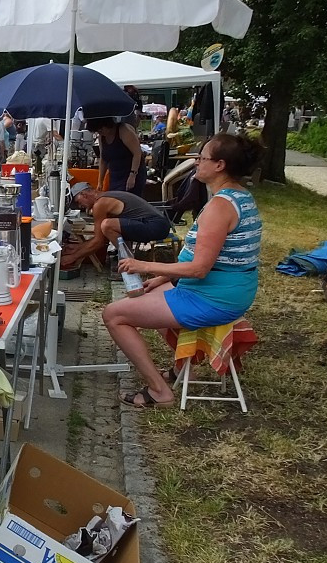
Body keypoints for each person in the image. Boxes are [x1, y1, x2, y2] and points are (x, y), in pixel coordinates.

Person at [102, 132, 264, 408]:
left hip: (214, 298)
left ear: (219, 165)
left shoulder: (220, 207)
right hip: (226, 291)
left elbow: (200, 268)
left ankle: (159, 391)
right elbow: (215, 259)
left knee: (113, 314)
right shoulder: (240, 197)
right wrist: (164, 277)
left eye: (201, 158)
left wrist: (144, 265)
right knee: (148, 294)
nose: (195, 162)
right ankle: (179, 369)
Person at [60, 183, 173, 270]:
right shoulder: (105, 196)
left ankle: (128, 263)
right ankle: (126, 259)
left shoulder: (100, 204)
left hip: (156, 226)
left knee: (107, 225)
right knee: (110, 226)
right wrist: (78, 248)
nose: (81, 206)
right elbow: (104, 238)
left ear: (84, 194)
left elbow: (99, 241)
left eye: (79, 202)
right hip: (160, 223)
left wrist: (73, 257)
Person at [89, 116, 145, 195]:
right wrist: (100, 181)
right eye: (98, 131)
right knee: (115, 197)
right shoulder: (102, 136)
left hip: (132, 171)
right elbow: (103, 159)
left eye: (101, 130)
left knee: (128, 198)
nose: (100, 133)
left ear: (107, 124)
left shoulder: (124, 130)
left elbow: (137, 153)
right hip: (116, 174)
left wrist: (132, 175)